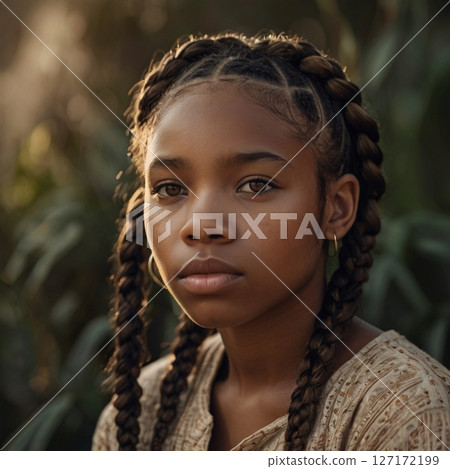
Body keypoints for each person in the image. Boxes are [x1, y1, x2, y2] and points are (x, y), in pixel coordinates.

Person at [91, 32, 450, 451]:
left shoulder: (407, 410)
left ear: (336, 208)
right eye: (170, 190)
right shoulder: (139, 411)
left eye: (256, 184)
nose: (202, 226)